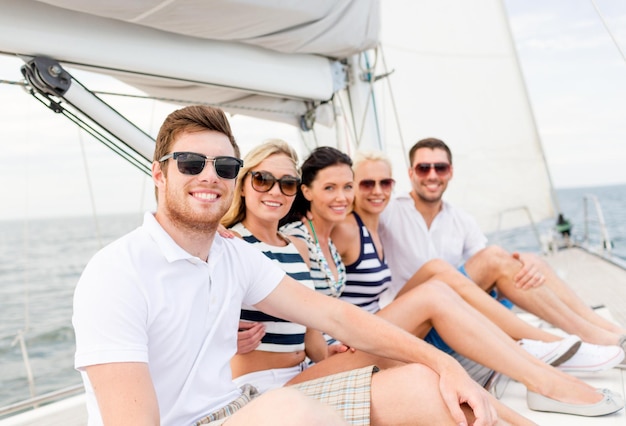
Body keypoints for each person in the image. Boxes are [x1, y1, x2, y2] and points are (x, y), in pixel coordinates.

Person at [72, 105, 502, 426]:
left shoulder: (232, 255)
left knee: (426, 389)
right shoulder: (116, 273)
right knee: (292, 411)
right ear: (159, 175)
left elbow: (333, 314)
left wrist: (443, 365)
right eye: (190, 163)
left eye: (224, 166)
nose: (209, 176)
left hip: (239, 405)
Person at [272, 147, 623, 417]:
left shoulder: (347, 228)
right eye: (358, 185)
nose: (349, 195)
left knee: (442, 271)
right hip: (344, 346)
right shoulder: (324, 233)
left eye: (349, 186)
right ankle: (544, 362)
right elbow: (308, 324)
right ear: (307, 191)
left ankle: (563, 346)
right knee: (436, 291)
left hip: (363, 328)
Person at [224, 141, 535, 424]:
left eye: (287, 183)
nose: (276, 191)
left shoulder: (295, 246)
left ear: (296, 189)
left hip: (304, 372)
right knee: (423, 375)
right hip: (261, 386)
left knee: (425, 371)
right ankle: (535, 368)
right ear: (242, 184)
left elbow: (311, 330)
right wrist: (224, 340)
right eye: (262, 180)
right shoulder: (231, 242)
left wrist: (325, 354)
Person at [379, 137, 626, 354]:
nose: (432, 175)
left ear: (450, 172)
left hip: (454, 315)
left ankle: (609, 330)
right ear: (411, 173)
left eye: (440, 167)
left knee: (531, 262)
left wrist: (518, 265)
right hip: (417, 324)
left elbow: (489, 271)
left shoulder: (460, 219)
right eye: (424, 168)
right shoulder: (389, 212)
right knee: (495, 258)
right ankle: (592, 338)